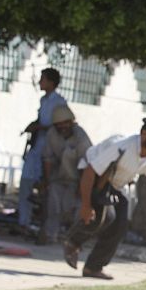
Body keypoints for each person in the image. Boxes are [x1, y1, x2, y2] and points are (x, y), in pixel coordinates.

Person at [63, 116, 146, 280]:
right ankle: (73, 241)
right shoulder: (123, 146)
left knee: (120, 226)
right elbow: (90, 171)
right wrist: (86, 205)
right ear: (144, 134)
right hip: (94, 176)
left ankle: (93, 267)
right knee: (104, 217)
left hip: (117, 185)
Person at [18, 67, 67, 232]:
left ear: (51, 82)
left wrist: (39, 127)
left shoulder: (59, 102)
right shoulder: (44, 101)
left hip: (50, 151)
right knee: (26, 182)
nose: (40, 82)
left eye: (43, 79)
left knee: (46, 187)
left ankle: (44, 226)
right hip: (37, 147)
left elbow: (60, 126)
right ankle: (23, 221)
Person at [37, 104, 92, 245]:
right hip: (58, 178)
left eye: (65, 123)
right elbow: (47, 159)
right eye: (59, 125)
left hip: (77, 179)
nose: (63, 127)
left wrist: (83, 188)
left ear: (71, 122)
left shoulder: (81, 137)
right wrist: (47, 182)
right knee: (53, 206)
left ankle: (74, 240)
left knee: (76, 209)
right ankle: (50, 235)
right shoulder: (52, 134)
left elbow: (87, 164)